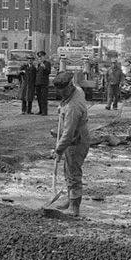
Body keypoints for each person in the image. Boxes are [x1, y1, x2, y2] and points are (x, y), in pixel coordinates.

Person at [52, 70, 90, 217]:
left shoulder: (73, 108)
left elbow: (68, 134)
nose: (60, 94)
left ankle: (74, 207)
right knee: (68, 170)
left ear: (69, 86)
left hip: (76, 140)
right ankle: (70, 199)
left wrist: (59, 149)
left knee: (73, 172)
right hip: (79, 134)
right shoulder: (77, 90)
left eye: (63, 91)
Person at [34, 51, 51, 115]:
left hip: (44, 83)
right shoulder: (38, 64)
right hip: (38, 83)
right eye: (39, 57)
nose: (40, 58)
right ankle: (40, 110)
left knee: (44, 97)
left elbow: (49, 71)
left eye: (41, 57)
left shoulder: (47, 63)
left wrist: (44, 67)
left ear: (44, 57)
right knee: (39, 97)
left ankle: (44, 111)